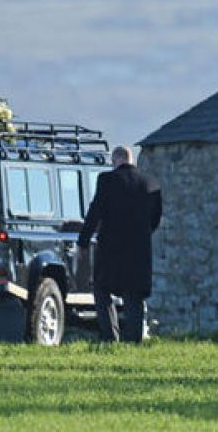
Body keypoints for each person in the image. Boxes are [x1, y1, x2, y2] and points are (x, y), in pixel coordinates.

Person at [79, 145, 162, 342]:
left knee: (102, 290)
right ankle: (134, 339)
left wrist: (83, 241)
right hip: (138, 250)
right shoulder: (150, 183)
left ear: (115, 160)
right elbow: (156, 217)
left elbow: (95, 211)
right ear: (131, 160)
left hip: (110, 249)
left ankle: (110, 336)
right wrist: (142, 233)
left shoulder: (107, 180)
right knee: (134, 296)